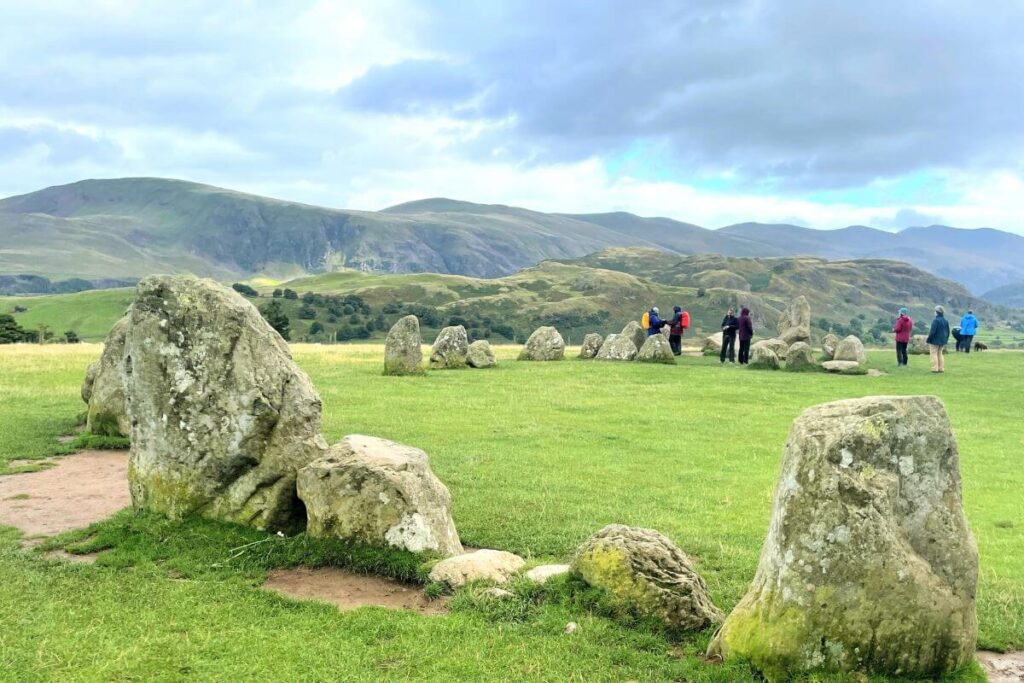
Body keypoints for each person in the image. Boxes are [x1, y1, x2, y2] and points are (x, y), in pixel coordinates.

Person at [926, 305, 950, 373]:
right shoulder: (945, 321)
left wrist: (929, 339)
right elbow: (948, 332)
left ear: (937, 312)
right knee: (940, 354)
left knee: (933, 354)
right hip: (942, 341)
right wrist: (946, 339)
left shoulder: (935, 321)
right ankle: (941, 368)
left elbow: (932, 332)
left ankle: (934, 368)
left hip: (934, 340)